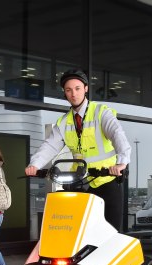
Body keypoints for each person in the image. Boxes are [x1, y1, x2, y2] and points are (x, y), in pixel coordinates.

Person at [24, 69, 131, 231]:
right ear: (65, 93)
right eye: (68, 90)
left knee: (111, 232)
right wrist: (35, 164)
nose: (73, 94)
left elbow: (117, 135)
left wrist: (122, 162)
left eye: (77, 88)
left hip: (106, 179)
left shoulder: (101, 113)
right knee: (74, 230)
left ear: (86, 88)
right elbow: (50, 145)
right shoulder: (64, 122)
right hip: (81, 182)